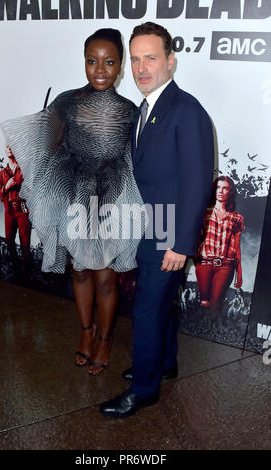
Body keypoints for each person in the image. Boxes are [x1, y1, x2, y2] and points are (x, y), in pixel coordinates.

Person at [1, 29, 144, 376]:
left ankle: (106, 338)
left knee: (106, 276)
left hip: (112, 197)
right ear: (84, 61)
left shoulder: (130, 110)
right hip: (74, 195)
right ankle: (85, 331)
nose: (99, 69)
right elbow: (43, 148)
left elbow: (136, 158)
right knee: (80, 270)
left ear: (121, 66)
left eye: (109, 62)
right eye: (92, 61)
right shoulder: (65, 101)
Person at [100, 22, 214, 418]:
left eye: (151, 57)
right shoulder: (146, 108)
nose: (141, 67)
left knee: (148, 309)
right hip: (149, 226)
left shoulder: (186, 111)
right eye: (135, 59)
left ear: (170, 60)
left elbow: (198, 184)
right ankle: (164, 364)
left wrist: (181, 244)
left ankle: (145, 390)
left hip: (169, 231)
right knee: (161, 304)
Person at [195, 176, 244, 310]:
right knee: (204, 303)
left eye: (225, 188)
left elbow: (236, 246)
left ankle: (215, 329)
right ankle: (202, 329)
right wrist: (197, 260)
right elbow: (196, 238)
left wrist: (239, 272)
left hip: (226, 265)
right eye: (218, 187)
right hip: (204, 262)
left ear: (230, 191)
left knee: (216, 305)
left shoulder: (236, 218)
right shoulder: (204, 212)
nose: (221, 191)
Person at [0, 143, 31, 273]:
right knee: (9, 239)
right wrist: (7, 186)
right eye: (7, 147)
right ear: (5, 151)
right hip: (9, 210)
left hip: (22, 208)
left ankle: (26, 269)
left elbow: (22, 183)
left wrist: (11, 184)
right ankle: (15, 266)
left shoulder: (24, 169)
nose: (10, 148)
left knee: (25, 242)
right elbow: (1, 193)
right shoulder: (2, 173)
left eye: (12, 146)